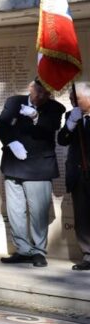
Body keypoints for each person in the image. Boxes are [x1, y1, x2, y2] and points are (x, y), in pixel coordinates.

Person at [0, 79, 64, 267]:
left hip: (39, 167)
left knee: (38, 212)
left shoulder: (55, 107)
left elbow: (52, 127)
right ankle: (23, 249)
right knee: (15, 211)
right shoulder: (14, 102)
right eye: (38, 92)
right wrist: (11, 142)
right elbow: (1, 125)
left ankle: (38, 251)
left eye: (46, 94)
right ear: (30, 88)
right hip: (14, 163)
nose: (41, 97)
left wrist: (36, 117)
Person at [58, 81, 90, 271]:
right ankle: (88, 254)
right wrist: (70, 125)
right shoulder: (71, 115)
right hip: (78, 174)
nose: (72, 102)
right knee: (83, 215)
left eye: (76, 99)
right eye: (71, 98)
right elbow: (62, 140)